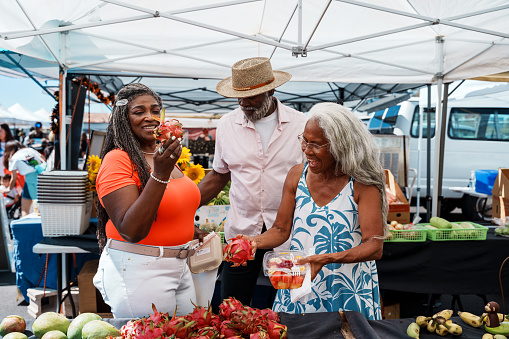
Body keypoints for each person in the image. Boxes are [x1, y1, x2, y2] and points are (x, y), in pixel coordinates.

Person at [238, 102, 388, 319]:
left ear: (340, 145)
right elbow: (280, 229)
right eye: (304, 141)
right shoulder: (297, 175)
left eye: (316, 144)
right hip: (300, 286)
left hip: (347, 289)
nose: (307, 151)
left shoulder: (362, 183)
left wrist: (325, 259)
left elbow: (374, 247)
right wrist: (252, 242)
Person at [198, 57, 308, 306]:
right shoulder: (227, 125)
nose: (243, 103)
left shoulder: (301, 124)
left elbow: (314, 176)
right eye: (239, 96)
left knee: (291, 304)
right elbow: (219, 175)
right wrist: (185, 205)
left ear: (271, 89)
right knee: (233, 307)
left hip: (289, 236)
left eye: (252, 96)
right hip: (241, 233)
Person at [93, 83, 207, 319]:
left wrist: (190, 230)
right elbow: (131, 229)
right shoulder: (118, 160)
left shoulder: (163, 156)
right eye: (139, 111)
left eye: (156, 111)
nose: (150, 117)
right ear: (123, 118)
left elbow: (167, 206)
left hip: (181, 266)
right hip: (140, 269)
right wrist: (160, 174)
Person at [3, 140, 46, 216]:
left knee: (26, 208)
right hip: (42, 177)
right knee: (41, 206)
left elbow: (14, 178)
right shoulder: (29, 150)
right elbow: (43, 159)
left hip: (29, 181)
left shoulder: (13, 158)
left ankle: (26, 225)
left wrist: (8, 189)